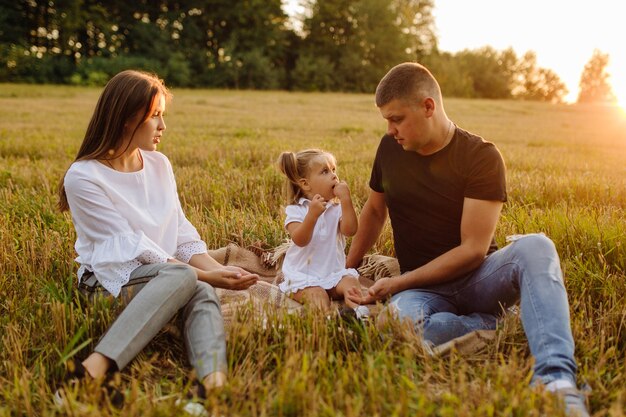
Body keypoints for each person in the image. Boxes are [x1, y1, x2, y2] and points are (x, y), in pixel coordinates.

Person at [345, 62, 589, 416]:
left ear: (428, 107)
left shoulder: (481, 157)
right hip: (422, 291)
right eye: (386, 120)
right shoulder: (389, 148)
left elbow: (473, 251)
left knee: (537, 246)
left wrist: (397, 282)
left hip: (479, 279)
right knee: (398, 328)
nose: (390, 129)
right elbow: (373, 212)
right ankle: (495, 323)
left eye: (397, 118)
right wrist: (346, 269)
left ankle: (556, 381)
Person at [55, 70, 258, 412]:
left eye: (163, 115)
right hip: (108, 284)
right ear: (125, 118)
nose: (163, 126)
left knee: (199, 288)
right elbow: (136, 251)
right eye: (155, 116)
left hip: (167, 277)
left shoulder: (159, 164)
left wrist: (217, 271)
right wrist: (204, 274)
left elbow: (180, 233)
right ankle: (89, 374)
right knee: (191, 280)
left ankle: (213, 387)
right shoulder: (84, 177)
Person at [276, 149, 369, 319]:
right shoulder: (297, 210)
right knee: (318, 295)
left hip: (333, 273)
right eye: (325, 171)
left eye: (334, 170)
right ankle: (326, 320)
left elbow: (350, 230)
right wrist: (312, 216)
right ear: (305, 184)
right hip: (304, 276)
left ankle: (357, 313)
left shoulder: (336, 208)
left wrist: (346, 201)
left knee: (351, 283)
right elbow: (299, 239)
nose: (334, 176)